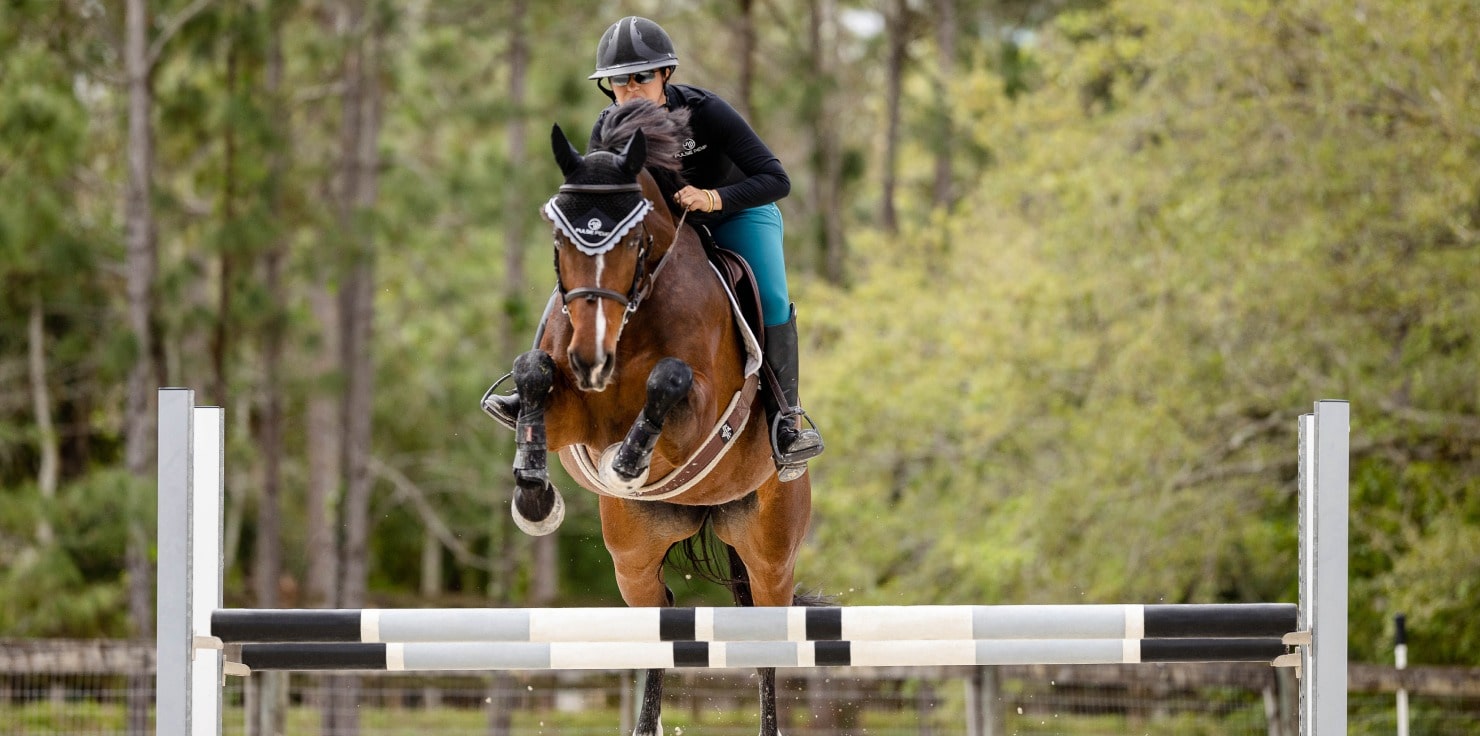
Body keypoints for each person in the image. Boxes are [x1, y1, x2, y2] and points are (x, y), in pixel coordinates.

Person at [488, 16, 823, 475]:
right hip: (662, 227)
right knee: (587, 274)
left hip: (737, 212)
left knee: (771, 298)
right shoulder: (607, 126)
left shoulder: (706, 112)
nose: (631, 87)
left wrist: (713, 197)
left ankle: (785, 419)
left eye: (642, 76)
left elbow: (776, 178)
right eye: (619, 81)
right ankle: (534, 384)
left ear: (665, 75)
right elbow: (600, 202)